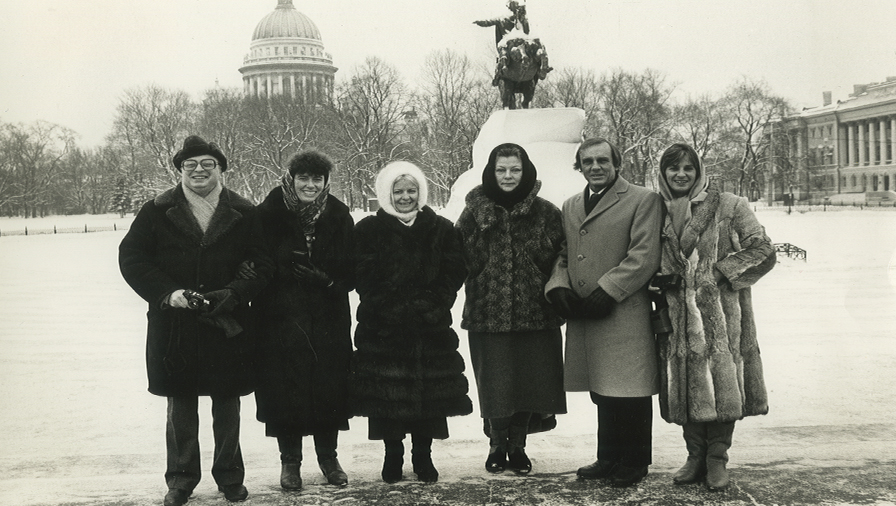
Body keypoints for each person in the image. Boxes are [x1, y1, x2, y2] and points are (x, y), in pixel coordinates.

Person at [119, 135, 270, 506]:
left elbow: (263, 262)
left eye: (208, 165)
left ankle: (230, 476)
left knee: (227, 405)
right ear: (180, 170)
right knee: (181, 406)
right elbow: (133, 258)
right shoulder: (156, 211)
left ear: (220, 169)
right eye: (191, 166)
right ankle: (181, 479)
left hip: (226, 323)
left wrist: (234, 293)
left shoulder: (246, 212)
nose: (199, 171)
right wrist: (169, 294)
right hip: (176, 326)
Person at [654, 143, 775, 491]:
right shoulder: (654, 209)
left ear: (699, 171)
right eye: (673, 169)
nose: (680, 175)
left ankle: (717, 458)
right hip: (676, 318)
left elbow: (764, 250)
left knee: (722, 387)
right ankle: (694, 456)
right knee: (687, 386)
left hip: (721, 317)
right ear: (663, 174)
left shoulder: (729, 205)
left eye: (688, 168)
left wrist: (720, 273)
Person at [544, 137, 663, 487]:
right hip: (585, 313)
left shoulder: (643, 199)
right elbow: (564, 253)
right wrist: (559, 285)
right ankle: (609, 456)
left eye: (602, 161)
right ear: (579, 166)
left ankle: (636, 460)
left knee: (630, 389)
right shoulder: (570, 205)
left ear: (617, 164)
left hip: (623, 312)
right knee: (603, 389)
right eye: (588, 161)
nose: (595, 167)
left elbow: (644, 255)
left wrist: (609, 290)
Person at [351, 161, 472, 484]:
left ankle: (423, 454)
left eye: (411, 190)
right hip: (383, 328)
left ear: (421, 192)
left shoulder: (442, 229)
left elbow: (453, 272)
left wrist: (430, 304)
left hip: (428, 326)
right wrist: (390, 307)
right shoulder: (367, 230)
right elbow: (363, 275)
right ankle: (393, 454)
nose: (405, 197)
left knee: (428, 397)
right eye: (398, 191)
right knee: (386, 395)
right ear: (386, 194)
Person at [456, 143, 566, 475]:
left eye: (514, 170)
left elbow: (563, 254)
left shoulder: (546, 212)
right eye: (501, 169)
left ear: (525, 171)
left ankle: (517, 446)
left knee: (530, 384)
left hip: (536, 314)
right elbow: (456, 256)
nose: (508, 176)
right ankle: (495, 445)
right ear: (491, 171)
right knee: (496, 385)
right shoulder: (474, 211)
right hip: (488, 314)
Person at [250, 151, 354, 490]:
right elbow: (256, 263)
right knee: (285, 389)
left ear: (325, 182)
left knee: (327, 386)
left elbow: (352, 269)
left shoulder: (338, 214)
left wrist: (325, 279)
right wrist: (282, 277)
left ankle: (328, 457)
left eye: (317, 179)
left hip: (327, 316)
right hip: (281, 317)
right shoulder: (267, 214)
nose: (310, 185)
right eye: (303, 178)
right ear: (291, 178)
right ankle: (290, 462)